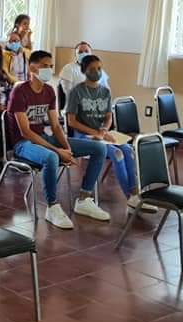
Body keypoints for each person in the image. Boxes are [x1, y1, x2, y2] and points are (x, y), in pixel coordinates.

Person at [7, 50, 110, 230]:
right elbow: (25, 132)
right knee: (51, 157)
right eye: (44, 66)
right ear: (32, 68)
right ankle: (52, 207)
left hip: (44, 138)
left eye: (51, 66)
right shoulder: (20, 91)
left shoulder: (49, 91)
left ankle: (84, 199)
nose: (49, 69)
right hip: (23, 144)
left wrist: (67, 148)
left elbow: (55, 126)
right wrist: (57, 151)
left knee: (99, 148)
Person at [65, 55, 156, 213]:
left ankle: (136, 195)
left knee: (128, 150)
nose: (97, 72)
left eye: (99, 68)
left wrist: (104, 130)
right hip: (83, 136)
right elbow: (71, 122)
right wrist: (96, 133)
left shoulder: (105, 91)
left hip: (102, 134)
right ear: (84, 71)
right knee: (117, 153)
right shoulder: (76, 92)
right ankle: (130, 197)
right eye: (92, 69)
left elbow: (108, 117)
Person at [3, 14, 32, 82]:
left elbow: (29, 50)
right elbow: (11, 47)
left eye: (28, 24)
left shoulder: (25, 36)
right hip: (13, 61)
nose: (27, 26)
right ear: (17, 25)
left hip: (22, 63)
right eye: (24, 24)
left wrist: (29, 37)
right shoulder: (12, 35)